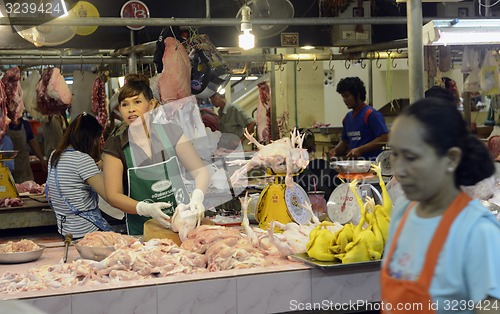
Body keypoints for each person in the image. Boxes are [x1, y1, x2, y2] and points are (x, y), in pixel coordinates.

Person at [381, 97, 500, 313]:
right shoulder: (401, 213)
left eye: (411, 157)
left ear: (452, 158)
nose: (399, 170)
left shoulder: (477, 231)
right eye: (395, 155)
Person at [102, 74, 209, 235]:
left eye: (137, 102)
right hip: (142, 232)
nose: (131, 109)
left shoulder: (172, 133)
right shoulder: (115, 146)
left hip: (183, 226)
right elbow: (113, 195)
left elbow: (200, 171)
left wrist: (197, 196)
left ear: (151, 105)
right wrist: (145, 208)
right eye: (125, 104)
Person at [45, 113, 112, 239]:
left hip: (65, 230)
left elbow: (72, 179)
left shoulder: (55, 156)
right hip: (86, 230)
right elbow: (110, 196)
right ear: (90, 138)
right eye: (97, 139)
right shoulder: (82, 159)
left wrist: (99, 166)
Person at [329, 77, 388, 160]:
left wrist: (360, 150)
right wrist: (335, 150)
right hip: (354, 166)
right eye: (343, 97)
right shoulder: (347, 118)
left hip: (371, 165)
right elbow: (345, 141)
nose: (345, 100)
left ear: (358, 95)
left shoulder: (371, 115)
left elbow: (384, 138)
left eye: (347, 96)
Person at [6, 113, 47, 183]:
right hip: (8, 169)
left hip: (24, 168)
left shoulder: (25, 124)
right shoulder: (4, 124)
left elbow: (33, 143)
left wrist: (41, 159)